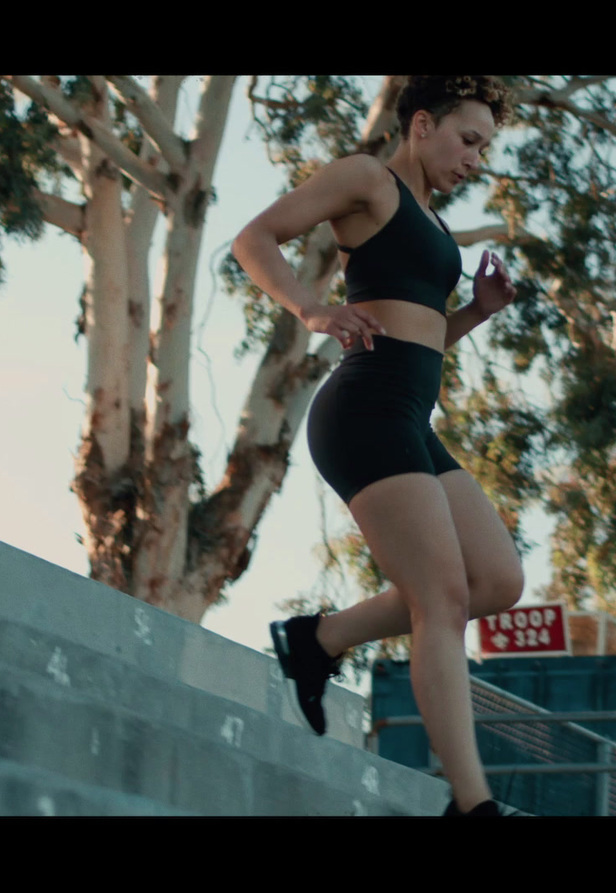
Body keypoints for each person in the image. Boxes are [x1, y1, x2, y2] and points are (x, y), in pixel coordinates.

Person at [231, 76, 528, 817]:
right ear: (421, 123)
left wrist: (474, 315)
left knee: (496, 579)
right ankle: (472, 803)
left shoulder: (428, 216)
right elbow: (252, 238)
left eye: (485, 148)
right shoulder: (368, 179)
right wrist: (311, 306)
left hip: (408, 415)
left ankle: (318, 640)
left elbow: (421, 335)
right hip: (363, 409)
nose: (475, 159)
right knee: (443, 597)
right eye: (468, 140)